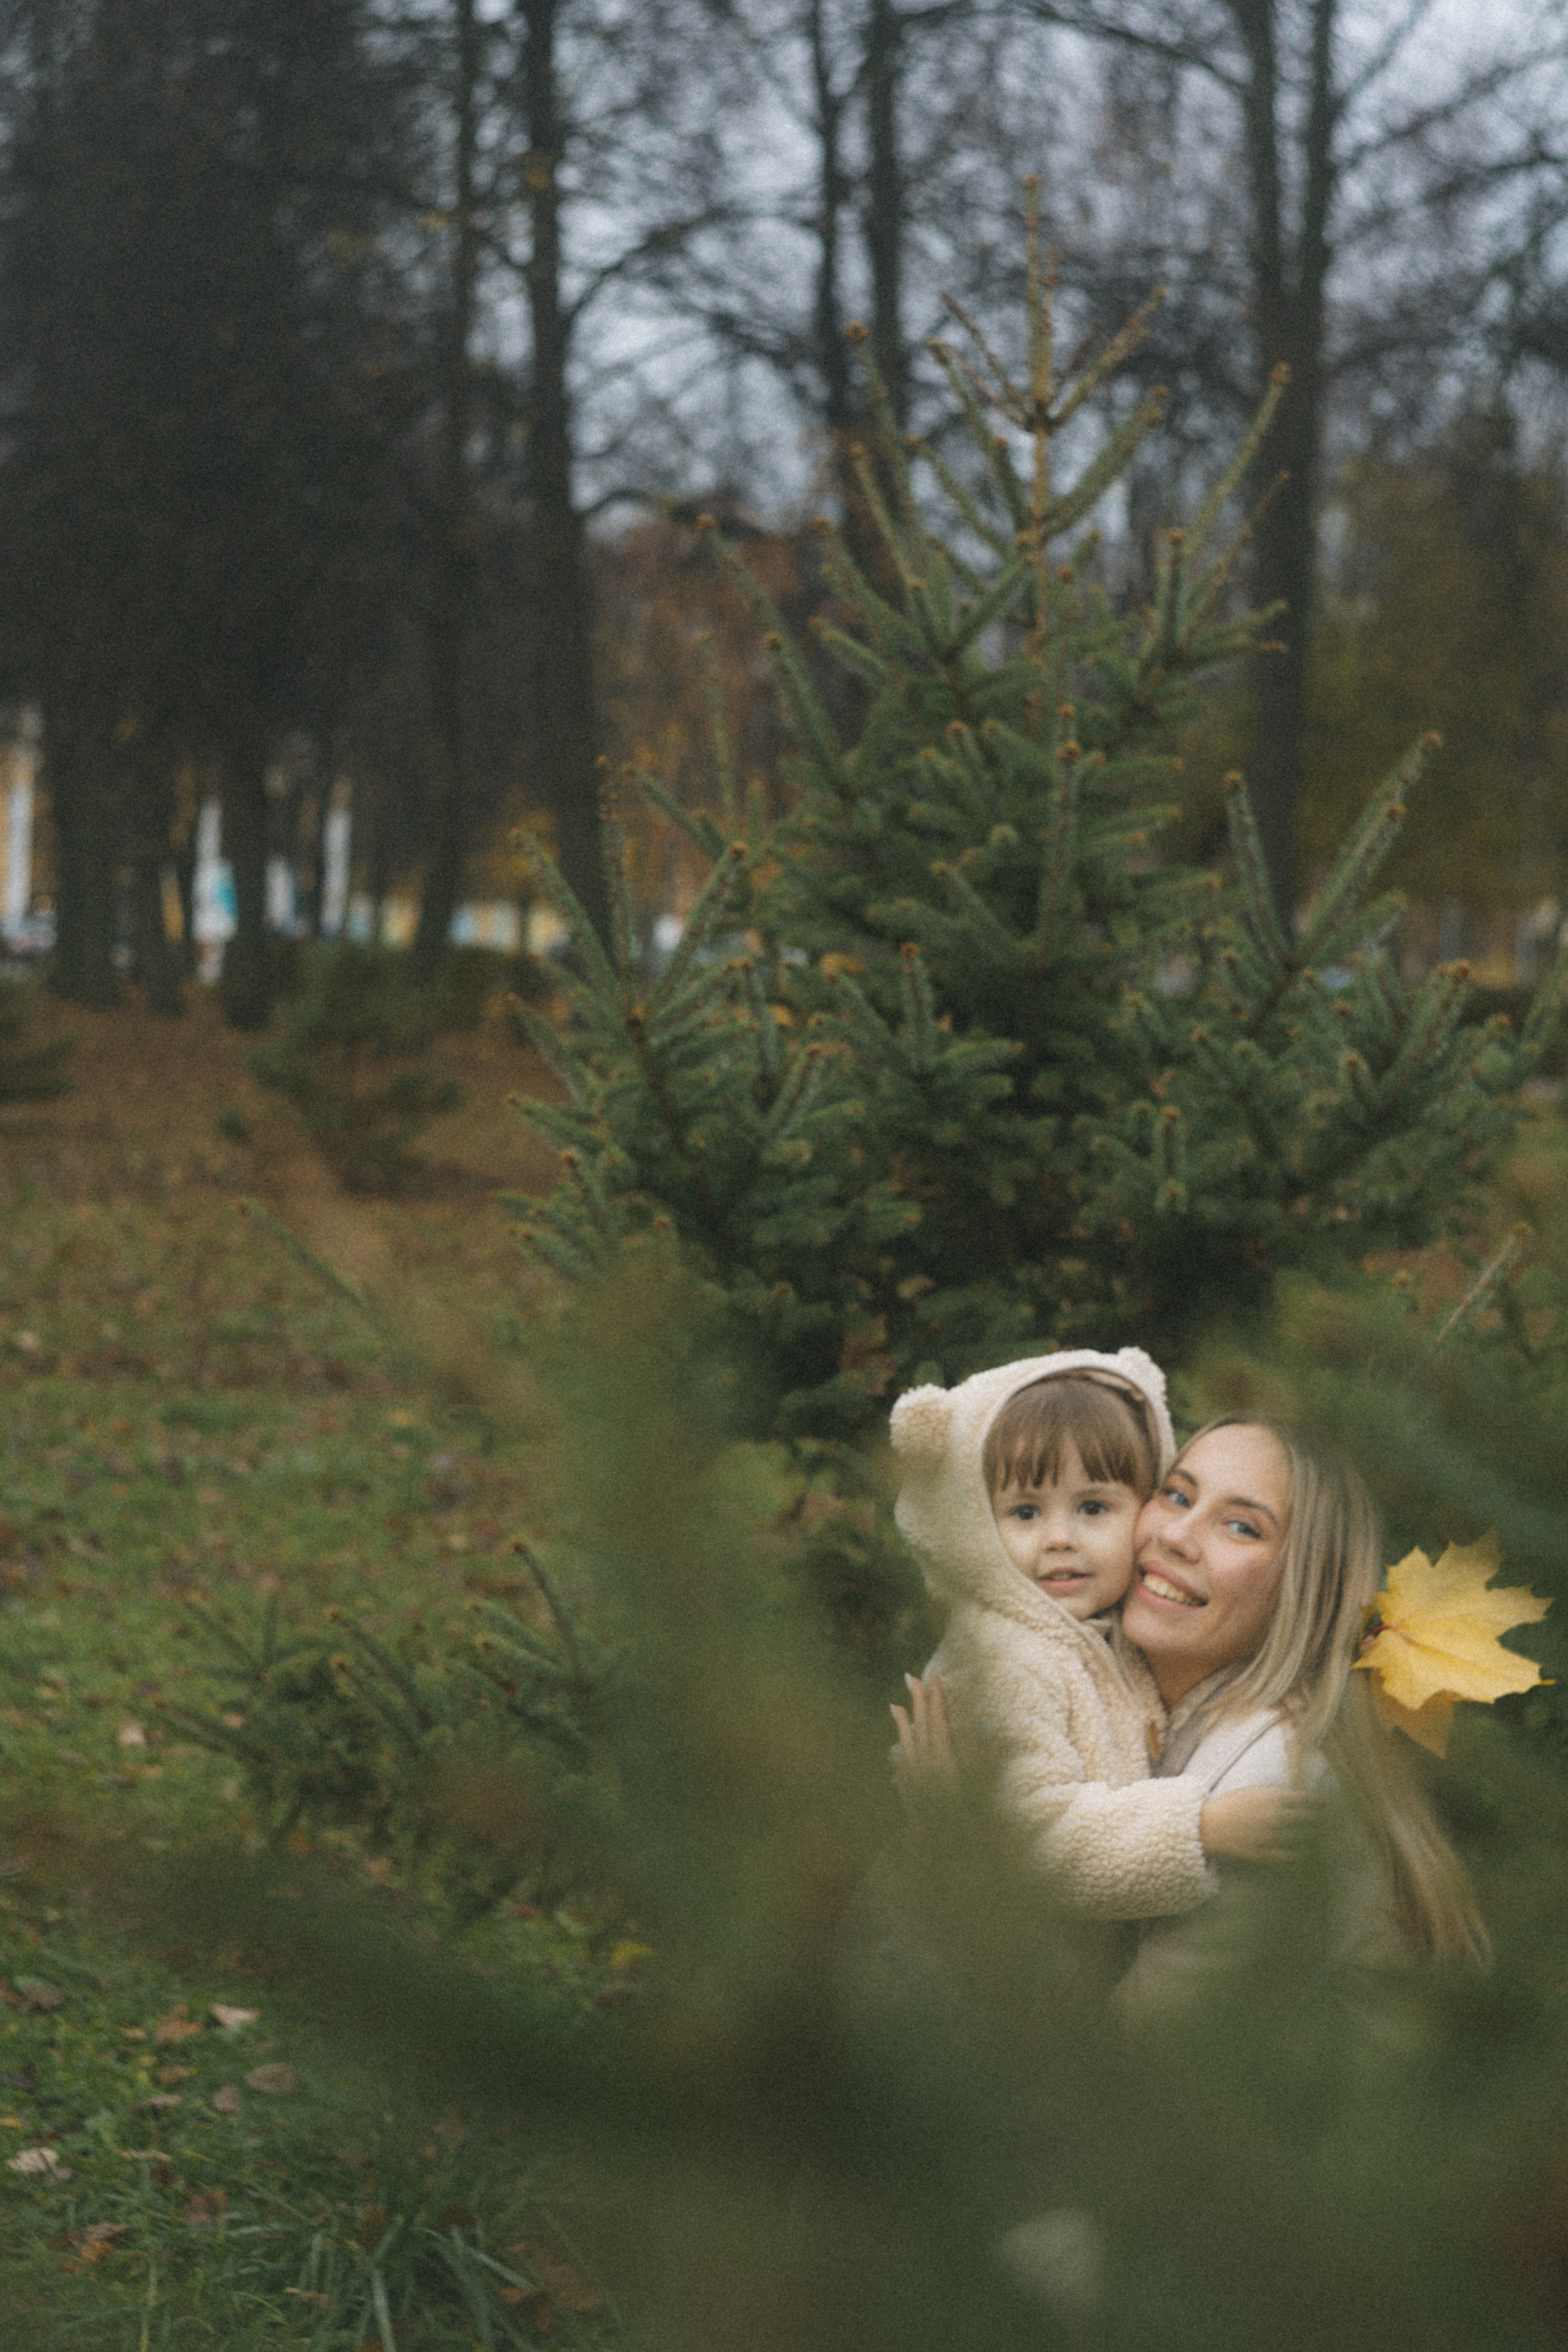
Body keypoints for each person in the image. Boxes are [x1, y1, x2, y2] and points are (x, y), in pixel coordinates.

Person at [898, 1406, 1487, 1968]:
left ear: (1304, 1589)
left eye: (1240, 1526)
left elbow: (1123, 2060)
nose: (1177, 1534)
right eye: (1176, 1494)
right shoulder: (1082, 1677)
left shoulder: (1276, 1783)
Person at [888, 1353, 1308, 1926]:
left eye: (1092, 1507)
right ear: (977, 1528)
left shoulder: (1091, 1639)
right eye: (1025, 1512)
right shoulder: (1007, 1661)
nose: (1060, 1538)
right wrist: (1201, 1828)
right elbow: (1028, 1842)